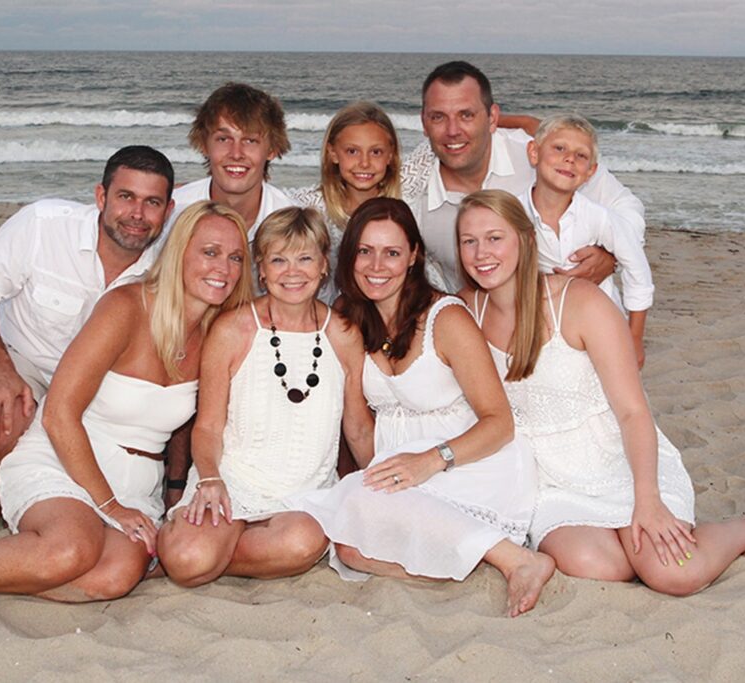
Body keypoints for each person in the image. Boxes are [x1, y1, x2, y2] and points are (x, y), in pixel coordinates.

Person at [0, 201, 253, 633]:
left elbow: (192, 430)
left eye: (235, 257)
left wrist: (169, 499)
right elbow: (59, 413)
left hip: (136, 484)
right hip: (66, 456)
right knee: (69, 551)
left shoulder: (220, 331)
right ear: (179, 253)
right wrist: (108, 505)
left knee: (111, 578)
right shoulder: (127, 307)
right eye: (209, 252)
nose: (223, 268)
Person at [456, 189, 745, 595]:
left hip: (618, 460)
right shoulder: (465, 311)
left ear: (524, 240)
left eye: (494, 238)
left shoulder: (578, 302)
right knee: (594, 564)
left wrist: (646, 499)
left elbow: (632, 411)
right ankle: (632, 546)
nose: (480, 253)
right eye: (468, 241)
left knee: (673, 574)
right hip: (549, 480)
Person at [291, 198, 555, 618]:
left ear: (413, 256)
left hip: (469, 461)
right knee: (351, 547)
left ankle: (517, 559)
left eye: (392, 252)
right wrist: (373, 482)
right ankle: (467, 559)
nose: (377, 265)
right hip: (400, 463)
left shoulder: (446, 318)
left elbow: (500, 423)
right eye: (365, 251)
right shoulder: (347, 314)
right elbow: (357, 424)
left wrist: (431, 462)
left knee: (357, 519)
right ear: (350, 255)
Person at [0, 145, 176, 535]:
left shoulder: (167, 264)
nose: (137, 215)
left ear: (168, 210)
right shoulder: (44, 224)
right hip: (26, 360)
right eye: (126, 197)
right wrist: (0, 369)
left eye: (151, 202)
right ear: (101, 197)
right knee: (0, 423)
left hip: (103, 380)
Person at [156, 207, 372, 587]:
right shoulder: (232, 329)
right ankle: (200, 550)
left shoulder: (343, 334)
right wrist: (210, 479)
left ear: (323, 265)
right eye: (278, 260)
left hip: (303, 497)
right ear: (261, 269)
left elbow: (356, 427)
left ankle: (212, 552)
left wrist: (385, 486)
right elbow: (206, 426)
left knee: (302, 542)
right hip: (231, 483)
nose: (292, 272)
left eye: (305, 258)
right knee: (189, 560)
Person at [401, 60, 646, 292]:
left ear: (492, 117)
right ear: (424, 122)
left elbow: (625, 206)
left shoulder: (537, 154)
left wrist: (610, 255)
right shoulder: (412, 201)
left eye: (466, 115)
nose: (453, 131)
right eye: (438, 117)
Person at [519, 114, 654, 368]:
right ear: (534, 153)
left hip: (600, 327)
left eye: (581, 156)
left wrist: (635, 338)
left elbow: (638, 271)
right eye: (559, 148)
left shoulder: (600, 217)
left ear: (591, 172)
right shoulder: (513, 213)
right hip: (536, 330)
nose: (569, 158)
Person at [289, 100, 451, 297]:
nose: (364, 163)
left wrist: (496, 119)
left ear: (390, 155)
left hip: (419, 299)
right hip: (354, 312)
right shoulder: (313, 206)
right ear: (333, 153)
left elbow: (445, 135)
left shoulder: (406, 186)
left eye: (376, 152)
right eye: (352, 151)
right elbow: (261, 197)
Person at [163, 82, 296, 246]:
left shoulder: (290, 223)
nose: (236, 153)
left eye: (250, 140)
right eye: (223, 139)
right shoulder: (172, 212)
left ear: (272, 150)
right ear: (204, 145)